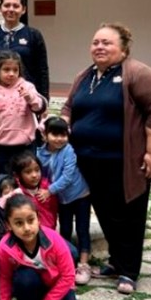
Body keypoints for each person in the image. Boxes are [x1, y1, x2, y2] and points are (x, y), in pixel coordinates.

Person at [60, 22, 151, 295]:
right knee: (107, 214)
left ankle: (129, 271)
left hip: (124, 162)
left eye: (106, 42)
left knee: (129, 215)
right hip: (88, 161)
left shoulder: (137, 73)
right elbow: (69, 106)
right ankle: (116, 263)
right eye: (96, 42)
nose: (99, 46)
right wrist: (61, 124)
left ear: (123, 48)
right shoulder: (85, 76)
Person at [0, 194, 80, 300]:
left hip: (58, 287)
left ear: (38, 218)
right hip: (30, 286)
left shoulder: (54, 240)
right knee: (25, 277)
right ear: (8, 225)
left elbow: (68, 276)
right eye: (19, 223)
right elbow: (4, 277)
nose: (27, 228)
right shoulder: (5, 248)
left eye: (31, 220)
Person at [37, 116, 92, 284]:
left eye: (63, 135)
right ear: (45, 135)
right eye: (55, 134)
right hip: (62, 199)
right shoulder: (40, 153)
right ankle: (66, 262)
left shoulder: (68, 150)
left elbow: (67, 177)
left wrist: (49, 191)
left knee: (82, 229)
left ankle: (83, 263)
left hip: (80, 194)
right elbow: (39, 173)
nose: (60, 139)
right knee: (65, 229)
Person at [0, 51, 47, 177]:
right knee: (5, 183)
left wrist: (30, 98)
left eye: (15, 70)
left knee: (28, 181)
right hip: (2, 147)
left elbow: (40, 108)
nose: (11, 74)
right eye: (6, 69)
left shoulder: (27, 87)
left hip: (26, 146)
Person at [0, 0, 50, 102]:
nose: (11, 9)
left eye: (16, 6)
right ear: (0, 8)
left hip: (24, 95)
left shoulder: (33, 35)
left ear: (23, 10)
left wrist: (44, 99)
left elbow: (42, 70)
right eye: (7, 5)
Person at [1, 151, 58, 230]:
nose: (34, 175)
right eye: (28, 172)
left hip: (49, 230)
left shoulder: (47, 188)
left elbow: (53, 209)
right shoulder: (15, 193)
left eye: (37, 170)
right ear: (17, 175)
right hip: (27, 232)